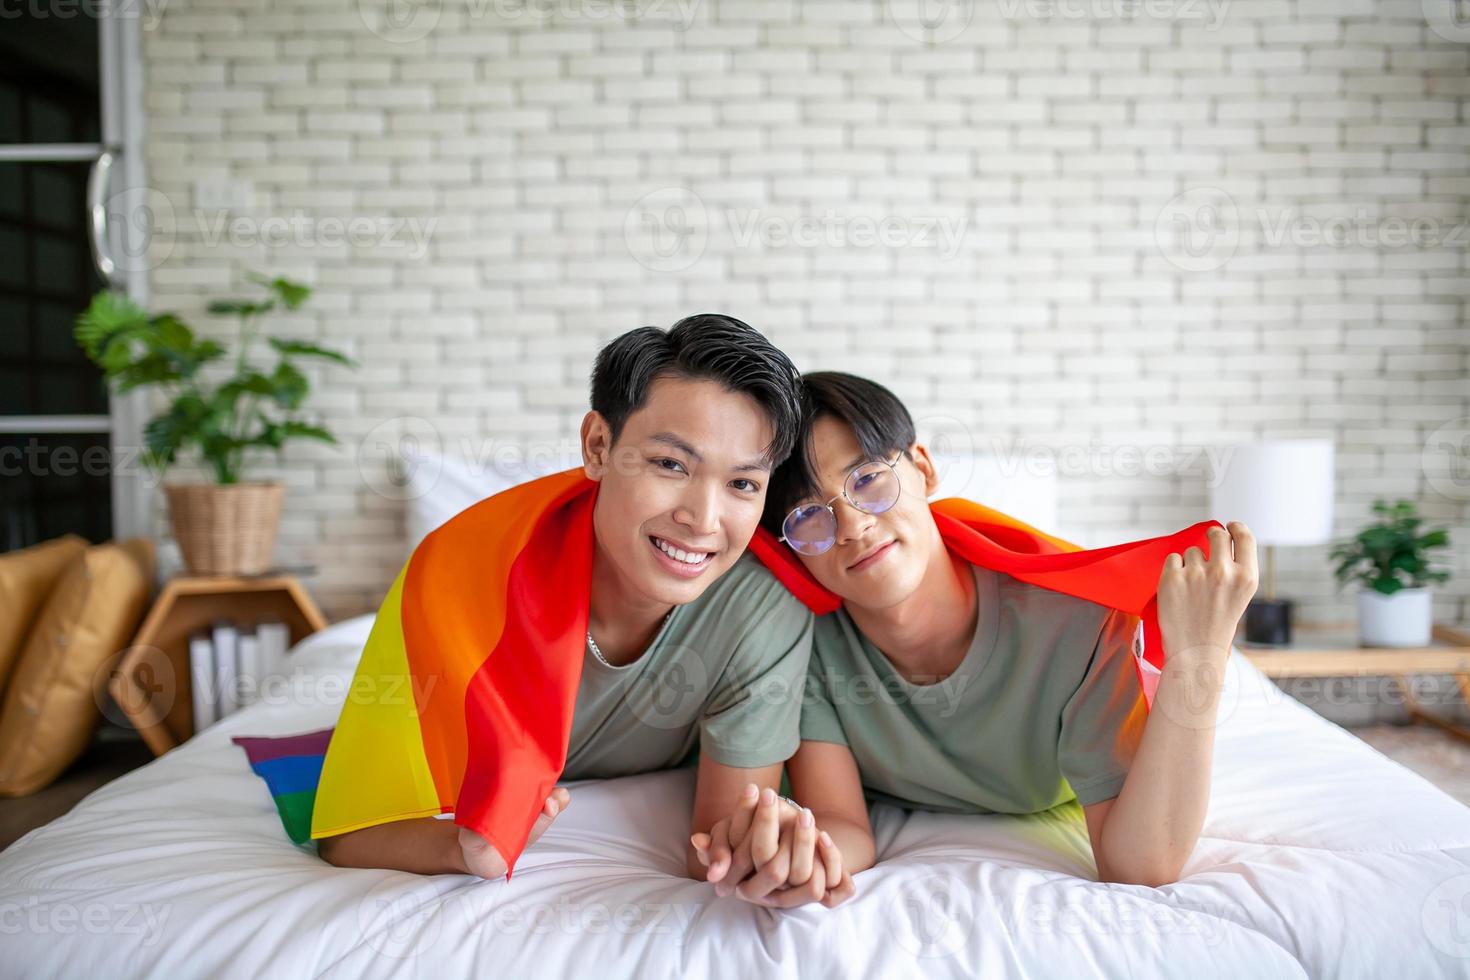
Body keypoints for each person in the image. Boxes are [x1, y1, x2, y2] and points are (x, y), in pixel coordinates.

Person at [693, 371, 1257, 905]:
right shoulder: (807, 642)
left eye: (867, 480)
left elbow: (1141, 865)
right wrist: (803, 858)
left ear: (923, 468)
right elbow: (843, 823)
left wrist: (1197, 660)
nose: (853, 526)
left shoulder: (1080, 623)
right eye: (809, 516)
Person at [318, 315, 836, 883]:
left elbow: (717, 847)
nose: (703, 520)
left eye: (742, 484)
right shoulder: (462, 576)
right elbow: (349, 835)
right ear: (597, 446)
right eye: (670, 465)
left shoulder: (761, 605)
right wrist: (463, 850)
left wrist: (773, 857)